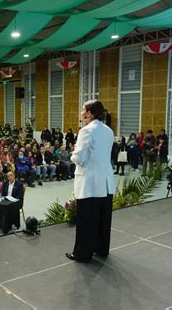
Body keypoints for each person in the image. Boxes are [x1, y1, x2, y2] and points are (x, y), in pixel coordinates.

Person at [66, 100, 115, 263]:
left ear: (90, 113)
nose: (81, 113)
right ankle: (101, 249)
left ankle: (82, 254)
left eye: (83, 110)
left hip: (89, 182)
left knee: (86, 220)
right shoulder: (108, 130)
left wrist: (72, 155)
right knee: (102, 218)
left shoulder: (86, 131)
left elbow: (79, 158)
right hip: (105, 181)